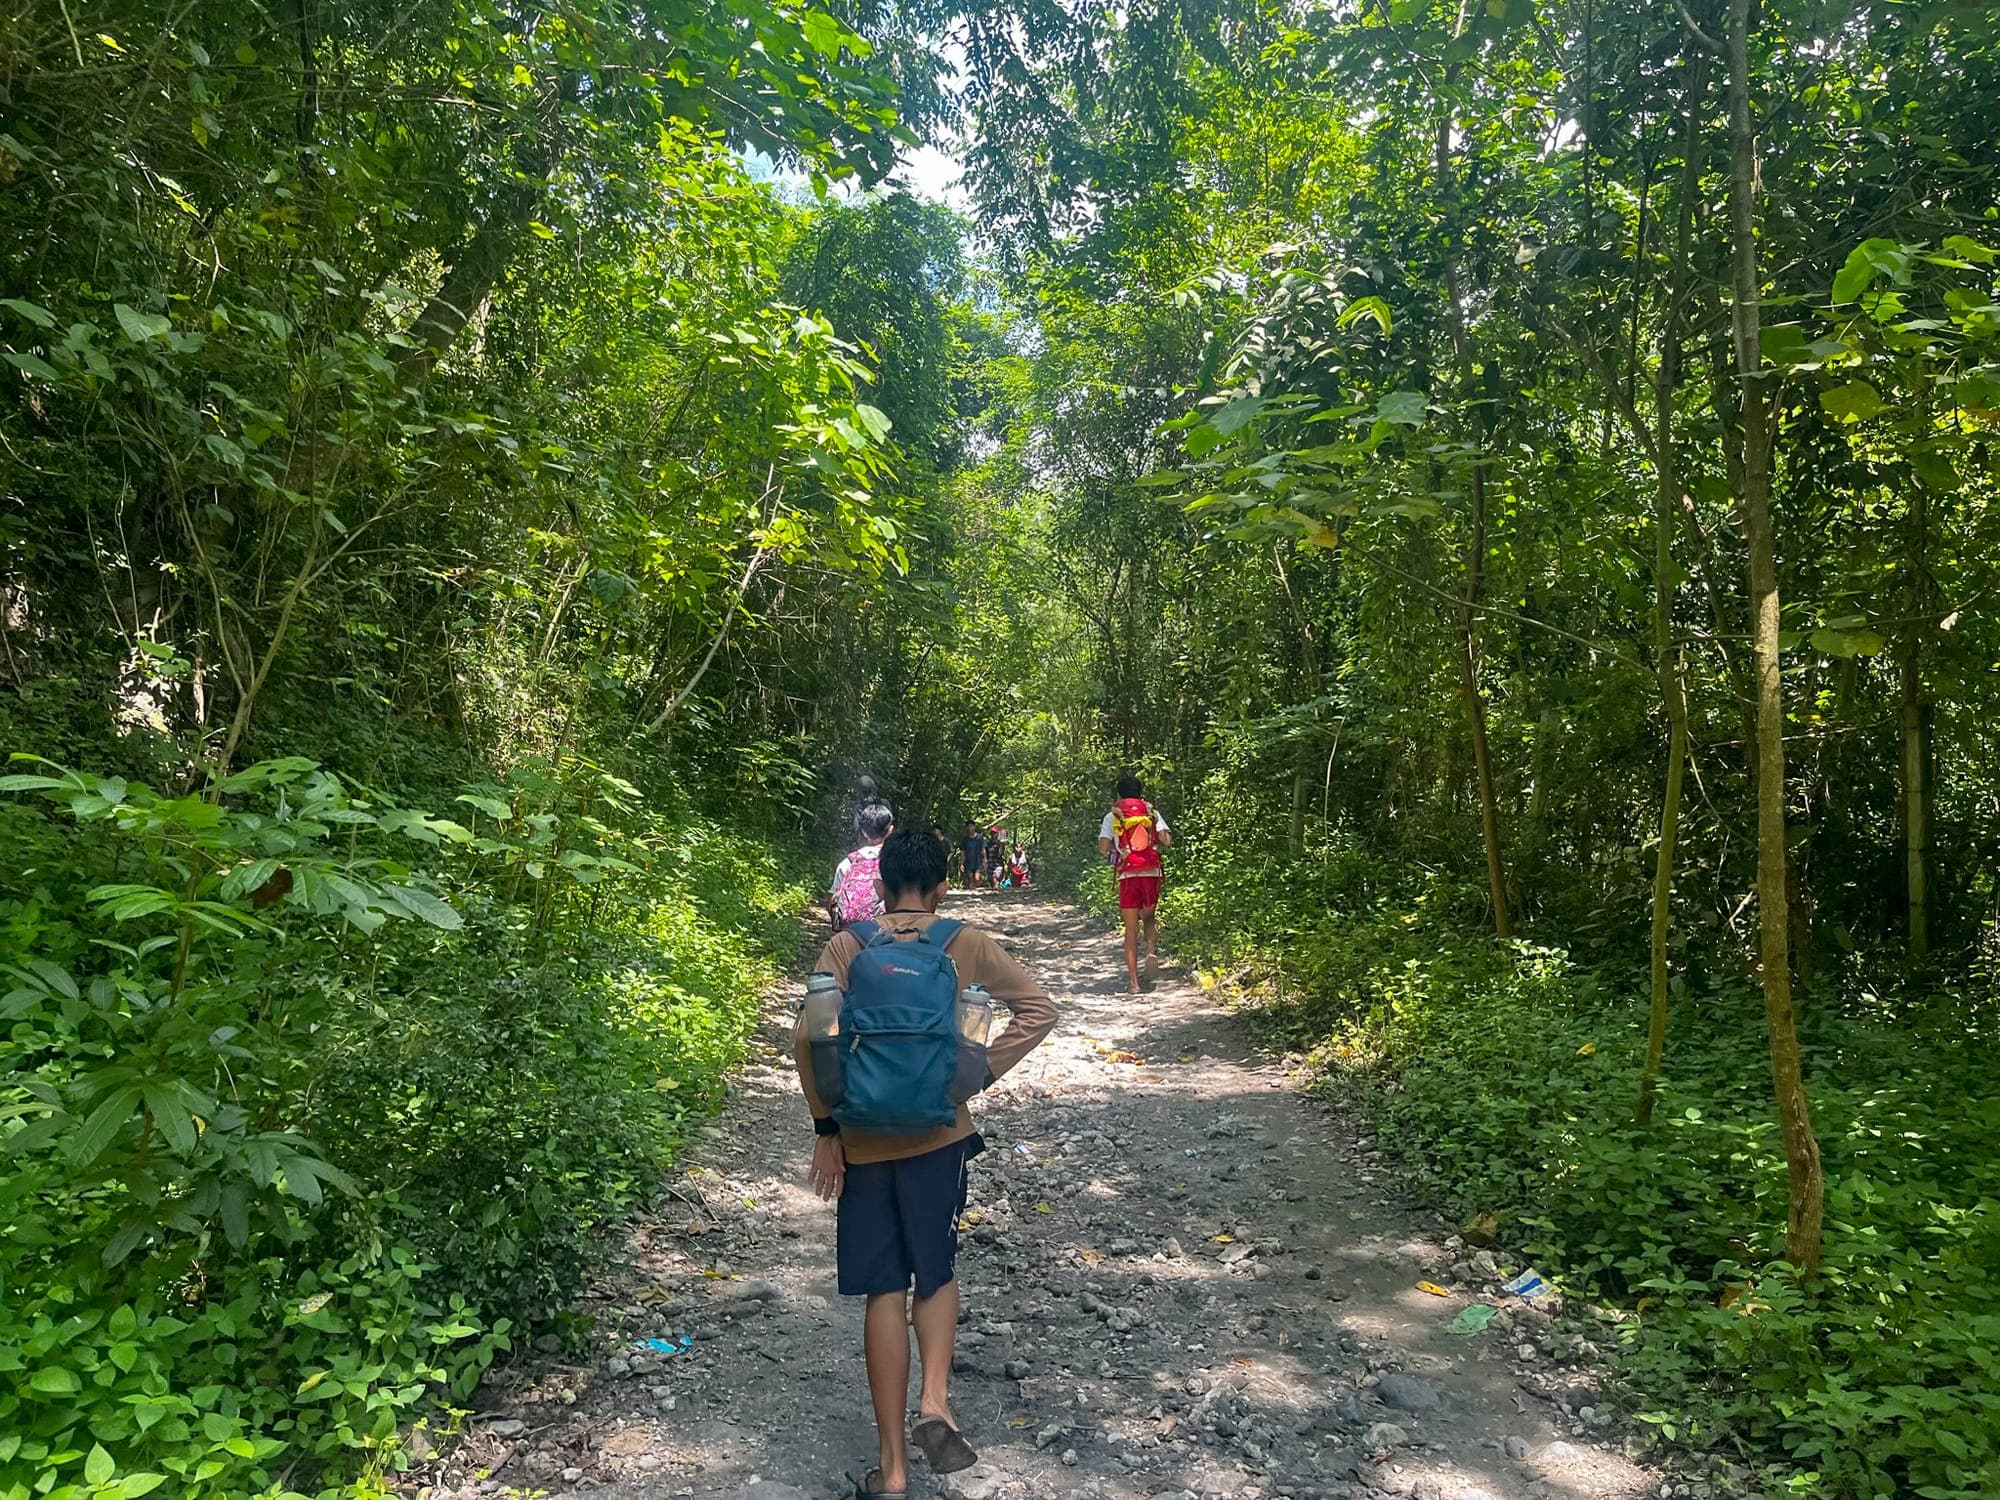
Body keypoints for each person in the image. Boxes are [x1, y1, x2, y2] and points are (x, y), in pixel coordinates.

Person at [797, 830, 1058, 1500]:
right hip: (940, 1137)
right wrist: (969, 1078)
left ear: (880, 887)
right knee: (935, 1273)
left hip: (862, 1137)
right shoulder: (963, 942)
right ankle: (935, 1405)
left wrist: (826, 1129)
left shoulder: (848, 944)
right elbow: (1038, 1010)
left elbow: (810, 1039)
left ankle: (891, 1474)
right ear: (942, 887)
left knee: (884, 1289)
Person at [1098, 773, 1172, 993]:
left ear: (1119, 795)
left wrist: (1116, 848)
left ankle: (1133, 983)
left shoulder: (1113, 816)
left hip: (1128, 874)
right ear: (1141, 794)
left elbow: (1103, 848)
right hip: (1151, 872)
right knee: (1149, 917)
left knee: (1130, 929)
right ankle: (1150, 950)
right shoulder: (1151, 812)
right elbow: (1166, 841)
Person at [830, 802, 894, 931]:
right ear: (890, 830)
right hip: (883, 935)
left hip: (851, 934)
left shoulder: (848, 862)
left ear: (864, 832)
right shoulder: (896, 862)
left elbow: (832, 900)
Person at [959, 821, 987, 889]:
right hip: (968, 862)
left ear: (974, 827)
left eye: (971, 826)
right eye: (968, 826)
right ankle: (972, 894)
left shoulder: (979, 838)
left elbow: (983, 849)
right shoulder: (965, 839)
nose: (970, 828)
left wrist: (985, 860)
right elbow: (963, 852)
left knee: (977, 879)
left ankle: (978, 885)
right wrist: (961, 863)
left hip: (978, 861)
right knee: (971, 878)